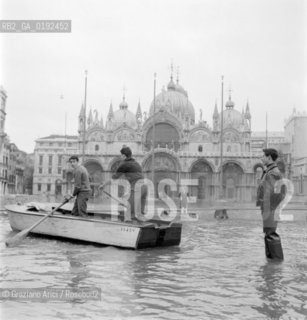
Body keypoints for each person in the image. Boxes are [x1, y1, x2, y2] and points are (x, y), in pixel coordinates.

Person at [101, 146, 147, 222]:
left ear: (123, 155)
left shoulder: (124, 164)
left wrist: (103, 185)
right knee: (139, 213)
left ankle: (128, 225)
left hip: (137, 187)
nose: (121, 157)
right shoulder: (136, 163)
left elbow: (113, 179)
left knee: (129, 212)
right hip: (145, 187)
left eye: (121, 155)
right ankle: (140, 223)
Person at [256, 148, 285, 259]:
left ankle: (277, 263)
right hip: (268, 208)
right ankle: (271, 264)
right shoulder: (269, 171)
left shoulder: (273, 172)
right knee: (268, 233)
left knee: (271, 234)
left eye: (263, 156)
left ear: (269, 157)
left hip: (271, 208)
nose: (261, 158)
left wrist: (270, 207)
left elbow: (277, 193)